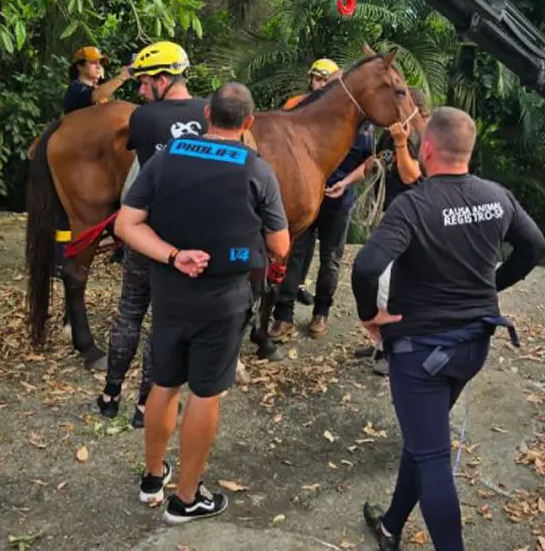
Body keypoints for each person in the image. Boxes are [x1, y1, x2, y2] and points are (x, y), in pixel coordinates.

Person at [351, 106, 545, 551]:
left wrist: (369, 315)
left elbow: (366, 266)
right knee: (426, 439)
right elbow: (534, 246)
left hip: (422, 353)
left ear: (428, 148)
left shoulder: (414, 205)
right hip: (472, 346)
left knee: (434, 456)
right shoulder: (496, 195)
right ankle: (391, 526)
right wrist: (492, 285)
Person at [114, 82, 290, 524]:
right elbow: (282, 246)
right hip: (224, 297)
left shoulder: (166, 158)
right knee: (206, 391)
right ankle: (186, 498)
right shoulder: (258, 170)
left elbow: (126, 224)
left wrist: (173, 255)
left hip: (171, 288)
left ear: (207, 114)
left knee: (165, 382)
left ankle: (152, 478)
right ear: (248, 123)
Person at [97, 41, 210, 429]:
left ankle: (110, 395)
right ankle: (145, 406)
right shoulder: (210, 113)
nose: (141, 92)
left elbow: (145, 169)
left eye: (145, 83)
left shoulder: (145, 120)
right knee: (161, 323)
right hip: (186, 240)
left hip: (145, 234)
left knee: (130, 311)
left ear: (163, 80)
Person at [269, 106, 375, 340]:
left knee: (330, 258)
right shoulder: (308, 121)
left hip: (338, 201)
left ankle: (321, 312)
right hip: (306, 200)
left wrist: (345, 183)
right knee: (295, 254)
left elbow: (369, 163)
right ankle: (283, 315)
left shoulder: (363, 128)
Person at [354, 87, 431, 376]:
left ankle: (393, 347)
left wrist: (401, 142)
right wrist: (344, 182)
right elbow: (377, 164)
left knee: (390, 284)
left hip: (412, 221)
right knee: (382, 283)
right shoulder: (392, 134)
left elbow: (411, 174)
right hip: (390, 217)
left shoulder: (421, 138)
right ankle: (383, 341)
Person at [283, 58, 342, 307]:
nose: (319, 84)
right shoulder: (295, 105)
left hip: (333, 189)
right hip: (299, 185)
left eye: (325, 80)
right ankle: (283, 293)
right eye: (317, 79)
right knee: (296, 242)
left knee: (322, 250)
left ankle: (301, 286)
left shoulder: (340, 114)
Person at [63, 46, 132, 114]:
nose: (98, 66)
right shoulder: (75, 87)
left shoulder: (97, 86)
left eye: (100, 63)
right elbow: (94, 95)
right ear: (79, 67)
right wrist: (122, 77)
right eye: (93, 62)